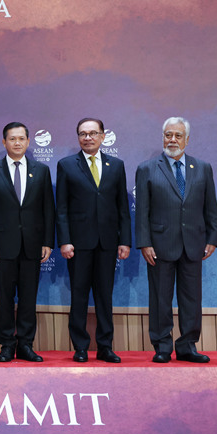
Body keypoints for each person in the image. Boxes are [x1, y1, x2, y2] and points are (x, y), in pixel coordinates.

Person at [135, 117, 217, 363]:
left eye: (178, 135)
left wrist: (213, 237)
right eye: (168, 135)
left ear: (187, 140)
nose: (172, 139)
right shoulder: (147, 169)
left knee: (192, 299)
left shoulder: (202, 167)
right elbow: (142, 211)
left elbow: (210, 207)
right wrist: (145, 243)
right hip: (159, 245)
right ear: (163, 137)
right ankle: (162, 346)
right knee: (160, 298)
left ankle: (187, 346)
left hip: (194, 244)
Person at [56, 118, 131, 363]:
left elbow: (122, 207)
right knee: (78, 296)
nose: (87, 137)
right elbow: (62, 208)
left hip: (107, 243)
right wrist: (64, 240)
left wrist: (125, 241)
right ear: (78, 137)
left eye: (92, 133)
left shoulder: (116, 165)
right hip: (78, 244)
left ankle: (105, 347)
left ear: (102, 136)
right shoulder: (67, 165)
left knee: (104, 297)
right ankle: (80, 347)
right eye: (83, 134)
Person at [0, 122, 54, 363]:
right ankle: (6, 345)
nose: (17, 143)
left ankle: (25, 345)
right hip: (1, 246)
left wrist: (47, 241)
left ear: (28, 141)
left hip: (32, 245)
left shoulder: (41, 171)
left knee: (28, 298)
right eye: (12, 139)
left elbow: (48, 209)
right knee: (3, 298)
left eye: (21, 138)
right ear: (4, 142)